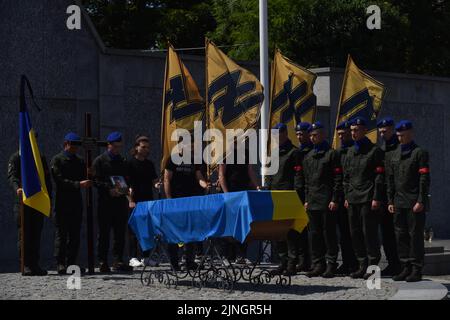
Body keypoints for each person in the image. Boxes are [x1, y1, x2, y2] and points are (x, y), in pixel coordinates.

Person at [387, 120, 430, 282]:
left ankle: (416, 269)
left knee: (415, 236)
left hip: (414, 203)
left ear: (411, 133)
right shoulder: (395, 154)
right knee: (401, 236)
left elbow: (424, 179)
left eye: (403, 135)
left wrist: (421, 200)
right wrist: (390, 200)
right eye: (398, 136)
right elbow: (390, 179)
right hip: (398, 202)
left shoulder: (419, 152)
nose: (400, 139)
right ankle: (405, 267)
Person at [342, 116, 384, 279]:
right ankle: (362, 265)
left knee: (369, 233)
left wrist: (376, 198)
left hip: (367, 197)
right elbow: (346, 176)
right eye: (351, 130)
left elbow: (379, 177)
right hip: (352, 198)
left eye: (356, 130)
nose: (353, 133)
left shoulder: (374, 151)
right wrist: (346, 196)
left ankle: (373, 267)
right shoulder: (350, 151)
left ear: (365, 131)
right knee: (356, 233)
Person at [303, 122, 341, 278]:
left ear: (323, 134)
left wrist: (335, 199)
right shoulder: (308, 156)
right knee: (314, 234)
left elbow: (338, 179)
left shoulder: (331, 154)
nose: (313, 138)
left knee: (329, 234)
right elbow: (307, 181)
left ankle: (331, 263)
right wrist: (306, 199)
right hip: (312, 201)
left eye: (315, 135)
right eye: (311, 135)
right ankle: (318, 263)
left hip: (326, 200)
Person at [7, 143, 52, 276]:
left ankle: (34, 264)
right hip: (22, 202)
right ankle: (25, 264)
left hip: (37, 201)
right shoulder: (16, 158)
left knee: (36, 234)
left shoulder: (39, 158)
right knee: (24, 234)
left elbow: (46, 178)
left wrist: (48, 197)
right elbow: (12, 176)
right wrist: (17, 188)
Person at [164, 140, 209, 271]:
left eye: (193, 146)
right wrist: (169, 198)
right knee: (174, 232)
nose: (192, 148)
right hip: (176, 201)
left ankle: (189, 261)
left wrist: (205, 185)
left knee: (190, 231)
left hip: (191, 201)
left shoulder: (194, 161)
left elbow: (199, 177)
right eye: (190, 145)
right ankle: (174, 262)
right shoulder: (172, 159)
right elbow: (167, 179)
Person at [51, 133, 91, 274]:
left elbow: (84, 177)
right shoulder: (57, 160)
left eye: (77, 145)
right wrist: (78, 184)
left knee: (74, 234)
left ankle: (71, 262)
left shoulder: (79, 161)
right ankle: (60, 263)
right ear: (66, 144)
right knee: (61, 234)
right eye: (73, 145)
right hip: (62, 201)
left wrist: (88, 175)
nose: (75, 148)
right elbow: (59, 181)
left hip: (76, 202)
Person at [92, 131, 132, 273]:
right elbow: (96, 181)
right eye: (115, 147)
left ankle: (118, 260)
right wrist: (109, 189)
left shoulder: (122, 160)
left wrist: (128, 189)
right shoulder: (99, 161)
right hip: (105, 202)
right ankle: (103, 261)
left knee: (120, 233)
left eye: (119, 147)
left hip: (120, 202)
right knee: (104, 233)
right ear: (108, 145)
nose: (117, 149)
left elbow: (126, 179)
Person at [265, 123, 301, 276]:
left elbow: (299, 176)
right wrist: (266, 189)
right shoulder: (273, 153)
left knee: (290, 232)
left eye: (278, 134)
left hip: (288, 196)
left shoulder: (294, 153)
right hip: (275, 196)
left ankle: (292, 263)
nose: (276, 138)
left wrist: (297, 195)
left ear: (285, 134)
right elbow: (269, 175)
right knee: (279, 232)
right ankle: (283, 262)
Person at [218, 137, 259, 265]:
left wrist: (256, 186)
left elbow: (250, 171)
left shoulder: (246, 154)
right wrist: (226, 194)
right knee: (228, 225)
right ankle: (227, 256)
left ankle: (242, 255)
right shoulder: (225, 155)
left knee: (243, 225)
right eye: (233, 141)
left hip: (243, 193)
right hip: (230, 193)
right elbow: (221, 175)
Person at [127, 135, 159, 267]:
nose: (146, 150)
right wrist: (130, 200)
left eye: (148, 147)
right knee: (134, 230)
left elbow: (154, 181)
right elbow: (126, 185)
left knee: (147, 229)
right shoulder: (129, 163)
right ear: (136, 147)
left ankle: (146, 257)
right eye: (143, 147)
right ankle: (133, 257)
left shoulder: (149, 164)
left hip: (148, 200)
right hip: (135, 200)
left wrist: (158, 185)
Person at [377, 117, 401, 276]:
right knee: (387, 233)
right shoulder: (382, 149)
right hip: (386, 197)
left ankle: (402, 265)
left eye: (385, 131)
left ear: (392, 129)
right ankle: (392, 263)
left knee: (400, 233)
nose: (382, 135)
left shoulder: (400, 148)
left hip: (399, 197)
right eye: (380, 132)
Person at [334, 120, 358, 275]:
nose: (341, 137)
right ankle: (347, 262)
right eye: (339, 134)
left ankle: (357, 263)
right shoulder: (338, 152)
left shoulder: (355, 151)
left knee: (355, 232)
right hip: (341, 197)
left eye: (344, 134)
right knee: (343, 233)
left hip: (354, 197)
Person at [293, 122, 314, 272]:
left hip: (313, 195)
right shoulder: (297, 152)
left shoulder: (314, 151)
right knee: (300, 230)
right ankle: (303, 260)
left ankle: (316, 261)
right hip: (299, 195)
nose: (299, 137)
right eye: (298, 134)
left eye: (302, 134)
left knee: (314, 231)